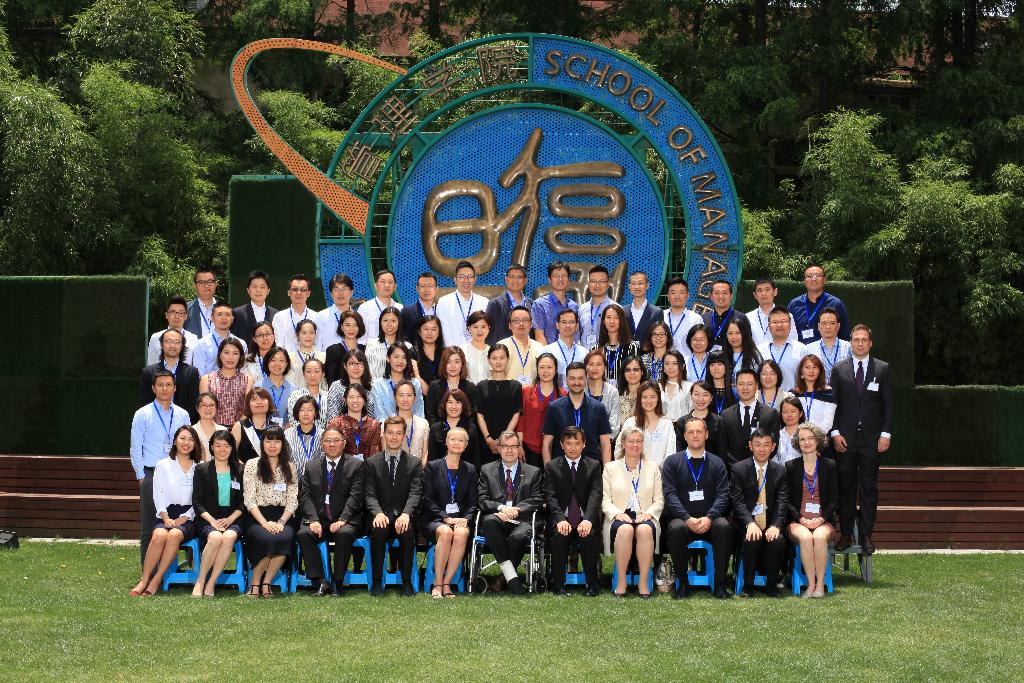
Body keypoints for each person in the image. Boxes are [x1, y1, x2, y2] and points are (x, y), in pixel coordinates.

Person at [831, 324, 894, 555]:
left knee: (868, 488)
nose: (860, 343)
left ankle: (867, 535)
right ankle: (846, 533)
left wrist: (885, 434)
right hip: (845, 440)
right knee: (846, 488)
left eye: (864, 339)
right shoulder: (839, 369)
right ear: (851, 343)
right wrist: (834, 432)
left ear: (870, 343)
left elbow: (888, 403)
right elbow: (833, 404)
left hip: (872, 440)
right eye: (856, 339)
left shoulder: (882, 369)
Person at [662, 417, 732, 598]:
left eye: (699, 431)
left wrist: (709, 517)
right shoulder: (672, 462)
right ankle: (682, 583)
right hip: (683, 519)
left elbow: (723, 494)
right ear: (684, 436)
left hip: (710, 519)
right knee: (676, 528)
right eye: (690, 432)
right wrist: (687, 518)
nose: (695, 435)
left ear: (706, 435)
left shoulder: (717, 462)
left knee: (724, 526)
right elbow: (670, 495)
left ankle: (720, 583)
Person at [129, 425, 200, 596]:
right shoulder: (162, 465)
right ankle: (144, 579)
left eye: (191, 439)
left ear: (195, 443)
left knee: (174, 535)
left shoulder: (200, 467)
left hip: (190, 516)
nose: (186, 443)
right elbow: (158, 494)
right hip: (166, 513)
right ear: (175, 441)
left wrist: (186, 516)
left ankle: (157, 579)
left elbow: (200, 499)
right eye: (182, 438)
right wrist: (165, 517)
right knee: (159, 535)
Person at [296, 425, 365, 597]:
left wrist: (343, 520)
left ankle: (338, 581)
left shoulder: (356, 465)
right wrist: (313, 520)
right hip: (320, 518)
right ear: (322, 443)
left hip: (346, 518)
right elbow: (305, 497)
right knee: (304, 534)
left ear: (344, 443)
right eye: (327, 440)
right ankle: (320, 581)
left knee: (344, 534)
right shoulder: (311, 466)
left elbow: (356, 496)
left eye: (336, 440)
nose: (332, 444)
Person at [129, 377, 191, 566]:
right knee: (149, 527)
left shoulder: (182, 414)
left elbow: (188, 442)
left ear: (175, 388)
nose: (165, 388)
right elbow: (135, 447)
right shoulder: (143, 414)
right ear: (153, 388)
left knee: (174, 525)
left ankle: (169, 572)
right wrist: (141, 476)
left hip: (177, 474)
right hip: (151, 473)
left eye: (169, 384)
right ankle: (149, 574)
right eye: (160, 385)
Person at [477, 431, 544, 594]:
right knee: (488, 521)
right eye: (505, 446)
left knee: (519, 537)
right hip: (498, 518)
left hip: (523, 520)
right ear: (499, 448)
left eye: (513, 446)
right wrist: (501, 508)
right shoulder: (487, 469)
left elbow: (537, 499)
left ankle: (503, 579)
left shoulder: (533, 472)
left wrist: (516, 510)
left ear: (519, 448)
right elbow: (482, 499)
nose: (509, 450)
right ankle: (512, 578)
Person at [602, 426, 664, 598]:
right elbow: (605, 500)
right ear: (623, 443)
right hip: (619, 516)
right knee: (625, 529)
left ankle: (643, 582)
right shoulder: (610, 468)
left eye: (639, 441)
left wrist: (649, 514)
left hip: (646, 515)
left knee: (644, 530)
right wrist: (617, 514)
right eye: (631, 441)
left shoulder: (653, 467)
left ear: (643, 444)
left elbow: (659, 500)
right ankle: (621, 581)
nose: (635, 445)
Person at [365, 416, 423, 596]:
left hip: (403, 515)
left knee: (406, 532)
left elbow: (415, 493)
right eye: (390, 432)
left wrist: (406, 514)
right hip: (380, 515)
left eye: (398, 433)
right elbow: (369, 494)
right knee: (379, 531)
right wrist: (377, 513)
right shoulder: (372, 463)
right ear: (383, 434)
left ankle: (407, 583)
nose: (394, 437)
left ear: (404, 436)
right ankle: (377, 582)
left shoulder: (414, 463)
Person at [420, 427, 478, 598]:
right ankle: (437, 583)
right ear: (446, 442)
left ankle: (447, 583)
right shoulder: (432, 467)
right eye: (453, 439)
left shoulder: (470, 469)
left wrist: (466, 519)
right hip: (435, 519)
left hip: (459, 519)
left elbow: (473, 502)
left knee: (461, 533)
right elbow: (427, 499)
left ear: (466, 445)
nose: (456, 443)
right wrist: (445, 518)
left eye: (461, 440)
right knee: (445, 532)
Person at [545, 427, 603, 596]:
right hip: (562, 519)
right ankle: (559, 585)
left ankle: (592, 584)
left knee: (588, 535)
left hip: (585, 519)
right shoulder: (552, 466)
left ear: (584, 444)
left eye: (577, 443)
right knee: (560, 535)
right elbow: (550, 496)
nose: (572, 447)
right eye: (568, 443)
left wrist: (588, 519)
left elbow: (595, 495)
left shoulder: (593, 466)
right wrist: (560, 519)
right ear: (561, 444)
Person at [730, 428, 788, 597]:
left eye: (766, 445)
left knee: (777, 540)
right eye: (757, 444)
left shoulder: (780, 471)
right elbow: (737, 501)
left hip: (770, 522)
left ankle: (771, 584)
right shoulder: (739, 468)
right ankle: (748, 586)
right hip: (745, 522)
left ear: (773, 447)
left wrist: (776, 525)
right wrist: (749, 523)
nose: (762, 449)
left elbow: (782, 501)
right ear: (750, 446)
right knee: (752, 538)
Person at [243, 425, 299, 597]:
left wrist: (281, 522)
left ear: (283, 444)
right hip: (257, 516)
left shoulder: (290, 467)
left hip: (283, 517)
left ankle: (266, 582)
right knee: (265, 538)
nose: (272, 445)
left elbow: (292, 500)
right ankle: (255, 583)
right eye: (268, 441)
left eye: (277, 441)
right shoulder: (252, 464)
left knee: (284, 538)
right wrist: (264, 523)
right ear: (262, 443)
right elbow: (249, 499)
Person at [786, 422, 839, 598]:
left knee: (818, 537)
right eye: (802, 439)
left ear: (818, 441)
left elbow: (834, 499)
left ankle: (820, 585)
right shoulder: (790, 466)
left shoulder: (829, 465)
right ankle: (810, 585)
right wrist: (800, 518)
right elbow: (786, 500)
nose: (806, 442)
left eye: (810, 438)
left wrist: (822, 519)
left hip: (823, 520)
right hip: (798, 521)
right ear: (797, 443)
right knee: (806, 538)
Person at [190, 429, 244, 597]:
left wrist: (230, 519)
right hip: (208, 518)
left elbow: (245, 502)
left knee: (228, 537)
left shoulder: (240, 470)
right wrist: (212, 521)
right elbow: (197, 502)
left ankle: (211, 582)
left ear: (232, 448)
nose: (222, 449)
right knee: (215, 537)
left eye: (226, 445)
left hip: (233, 518)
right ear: (212, 447)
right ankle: (200, 581)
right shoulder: (202, 469)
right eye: (218, 445)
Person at [541, 361, 613, 464]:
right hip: (561, 469)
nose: (576, 382)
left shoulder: (598, 408)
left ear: (586, 379)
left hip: (590, 469)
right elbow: (547, 444)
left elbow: (605, 444)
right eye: (572, 378)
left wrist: (607, 471)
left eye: (580, 378)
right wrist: (549, 471)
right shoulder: (554, 408)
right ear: (566, 380)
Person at [720, 369, 781, 468]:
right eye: (741, 384)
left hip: (761, 470)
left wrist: (756, 465)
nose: (745, 388)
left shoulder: (770, 413)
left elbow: (774, 444)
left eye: (749, 384)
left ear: (756, 386)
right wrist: (738, 468)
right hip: (733, 471)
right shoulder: (725, 415)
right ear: (735, 386)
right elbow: (723, 448)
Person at [476, 345, 523, 466]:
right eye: (494, 358)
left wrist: (504, 439)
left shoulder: (516, 385)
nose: (498, 361)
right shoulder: (481, 386)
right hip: (486, 441)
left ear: (508, 359)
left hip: (509, 443)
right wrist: (489, 439)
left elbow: (516, 413)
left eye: (502, 358)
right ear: (488, 360)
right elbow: (479, 415)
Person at [141, 328, 200, 422]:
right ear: (161, 344)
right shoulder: (148, 372)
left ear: (182, 346)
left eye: (177, 342)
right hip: (155, 423)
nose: (172, 345)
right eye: (168, 341)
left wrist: (183, 424)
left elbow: (193, 404)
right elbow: (145, 402)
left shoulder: (192, 372)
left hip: (183, 425)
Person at [518, 354, 566, 468]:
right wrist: (519, 446)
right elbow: (520, 421)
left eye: (549, 367)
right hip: (529, 449)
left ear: (555, 370)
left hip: (554, 449)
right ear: (537, 370)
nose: (545, 371)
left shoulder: (563, 394)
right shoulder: (526, 392)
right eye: (542, 367)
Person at [616, 380, 677, 467]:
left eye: (652, 397)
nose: (648, 401)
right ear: (639, 399)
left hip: (660, 473)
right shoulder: (631, 422)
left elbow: (671, 453)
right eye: (644, 397)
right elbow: (619, 449)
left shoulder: (667, 424)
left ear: (658, 398)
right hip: (633, 472)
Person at [788, 264, 851, 343]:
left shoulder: (836, 304)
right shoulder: (794, 305)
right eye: (809, 276)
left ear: (824, 280)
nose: (814, 279)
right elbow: (787, 333)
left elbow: (845, 335)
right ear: (804, 281)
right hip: (800, 350)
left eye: (817, 275)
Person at [199, 338, 253, 427]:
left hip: (239, 429)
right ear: (220, 354)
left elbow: (248, 409)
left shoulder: (248, 380)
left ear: (240, 356)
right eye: (226, 353)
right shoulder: (207, 379)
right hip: (212, 429)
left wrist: (237, 428)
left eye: (235, 353)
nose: (230, 357)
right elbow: (204, 408)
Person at [437, 261, 490, 348]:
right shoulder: (444, 302)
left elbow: (486, 330)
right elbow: (444, 332)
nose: (466, 280)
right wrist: (455, 352)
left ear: (475, 280)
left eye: (469, 276)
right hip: (453, 352)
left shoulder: (484, 302)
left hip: (478, 350)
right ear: (455, 280)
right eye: (462, 277)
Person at [424, 346, 479, 424]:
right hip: (439, 430)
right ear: (444, 364)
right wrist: (439, 430)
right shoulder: (434, 386)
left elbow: (473, 416)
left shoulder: (470, 387)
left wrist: (463, 430)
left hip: (464, 430)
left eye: (457, 362)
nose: (453, 366)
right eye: (449, 362)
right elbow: (430, 415)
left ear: (462, 364)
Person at [757, 307, 806, 393]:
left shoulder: (802, 350)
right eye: (775, 322)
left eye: (783, 321)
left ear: (790, 325)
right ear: (769, 326)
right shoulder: (759, 350)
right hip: (765, 399)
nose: (779, 325)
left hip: (793, 399)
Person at [327, 384, 381, 460]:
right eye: (351, 397)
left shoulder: (373, 425)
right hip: (343, 466)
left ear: (364, 401)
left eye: (359, 396)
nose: (355, 400)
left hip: (367, 466)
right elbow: (332, 450)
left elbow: (374, 453)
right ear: (345, 400)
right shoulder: (336, 423)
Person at [370, 344, 424, 420]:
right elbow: (380, 416)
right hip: (387, 426)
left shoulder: (415, 383)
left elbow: (419, 413)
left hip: (412, 426)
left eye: (404, 357)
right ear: (388, 358)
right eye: (396, 357)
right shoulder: (378, 385)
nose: (400, 361)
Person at [426, 389, 480, 465]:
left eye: (458, 402)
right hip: (439, 471)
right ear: (444, 404)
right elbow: (431, 459)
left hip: (465, 471)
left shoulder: (471, 428)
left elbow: (475, 458)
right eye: (450, 402)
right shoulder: (435, 429)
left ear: (463, 405)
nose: (454, 406)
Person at [192, 302, 248, 376]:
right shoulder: (202, 344)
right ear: (212, 318)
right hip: (208, 382)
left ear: (232, 318)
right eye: (219, 314)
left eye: (227, 315)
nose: (224, 318)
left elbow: (243, 371)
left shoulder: (241, 344)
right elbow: (199, 373)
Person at [485, 264, 534, 346]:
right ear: (506, 279)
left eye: (519, 277)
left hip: (528, 349)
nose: (515, 280)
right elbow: (490, 334)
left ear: (525, 281)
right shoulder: (495, 304)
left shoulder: (532, 304)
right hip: (505, 350)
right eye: (511, 277)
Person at [497, 305, 546, 385]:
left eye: (525, 320)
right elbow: (496, 375)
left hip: (533, 392)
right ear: (510, 325)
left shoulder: (540, 348)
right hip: (508, 391)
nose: (521, 324)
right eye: (516, 321)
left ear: (531, 324)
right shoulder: (500, 347)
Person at [532, 261, 578, 344]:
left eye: (563, 276)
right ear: (549, 279)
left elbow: (575, 335)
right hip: (548, 351)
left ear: (569, 279)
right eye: (556, 276)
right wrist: (549, 352)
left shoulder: (574, 306)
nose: (560, 279)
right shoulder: (540, 304)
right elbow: (539, 336)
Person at [802, 307, 852, 384]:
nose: (828, 327)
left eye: (832, 323)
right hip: (818, 390)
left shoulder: (849, 347)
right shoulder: (809, 349)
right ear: (819, 326)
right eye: (824, 323)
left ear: (838, 326)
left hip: (844, 390)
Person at [593, 303, 640, 383]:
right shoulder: (596, 349)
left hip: (624, 390)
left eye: (616, 318)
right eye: (608, 317)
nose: (612, 321)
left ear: (621, 321)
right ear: (603, 321)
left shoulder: (631, 347)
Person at [324, 349, 375, 423]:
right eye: (352, 363)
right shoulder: (336, 387)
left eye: (360, 363)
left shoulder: (372, 387)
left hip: (368, 428)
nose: (356, 367)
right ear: (345, 366)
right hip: (340, 428)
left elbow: (373, 416)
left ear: (365, 366)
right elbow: (332, 417)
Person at [791, 354, 837, 433]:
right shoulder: (793, 394)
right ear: (801, 371)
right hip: (797, 437)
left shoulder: (828, 393)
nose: (811, 371)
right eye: (807, 367)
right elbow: (790, 421)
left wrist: (813, 436)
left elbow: (828, 423)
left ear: (820, 371)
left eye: (815, 367)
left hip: (821, 437)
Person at [232, 270, 278, 348]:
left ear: (268, 291)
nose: (258, 290)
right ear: (248, 290)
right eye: (254, 286)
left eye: (262, 287)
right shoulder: (237, 313)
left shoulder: (276, 314)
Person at [678, 381, 724, 458]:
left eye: (705, 395)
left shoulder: (718, 421)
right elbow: (679, 450)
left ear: (711, 398)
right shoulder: (682, 421)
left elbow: (721, 450)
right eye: (696, 394)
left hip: (712, 464)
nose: (701, 399)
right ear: (691, 396)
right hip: (687, 464)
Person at [746, 278, 797, 347]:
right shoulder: (748, 317)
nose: (763, 293)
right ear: (755, 295)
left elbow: (794, 341)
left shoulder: (787, 316)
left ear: (775, 292)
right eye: (760, 290)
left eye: (767, 289)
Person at [147, 296, 199, 365]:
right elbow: (151, 365)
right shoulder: (156, 338)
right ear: (166, 315)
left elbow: (195, 366)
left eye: (180, 313)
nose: (176, 316)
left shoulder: (193, 339)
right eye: (172, 312)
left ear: (186, 316)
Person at [701, 279, 749, 353]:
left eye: (725, 293)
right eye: (717, 293)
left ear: (731, 296)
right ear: (711, 296)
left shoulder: (741, 318)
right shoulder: (703, 318)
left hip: (734, 359)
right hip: (709, 359)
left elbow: (747, 343)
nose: (721, 296)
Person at [356, 269, 403, 345]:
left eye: (390, 282)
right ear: (375, 286)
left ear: (395, 286)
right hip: (371, 350)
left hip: (396, 350)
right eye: (383, 282)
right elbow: (360, 336)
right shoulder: (365, 308)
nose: (387, 285)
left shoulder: (400, 308)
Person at [271, 273, 315, 352]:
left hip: (311, 359)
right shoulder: (280, 317)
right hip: (287, 359)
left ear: (308, 293)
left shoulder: (316, 316)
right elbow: (279, 346)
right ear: (289, 292)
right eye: (295, 289)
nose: (299, 293)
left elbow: (318, 345)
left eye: (303, 290)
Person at [231, 387, 274, 463]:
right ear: (248, 404)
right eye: (254, 399)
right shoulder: (240, 426)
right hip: (244, 469)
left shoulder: (275, 427)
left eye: (263, 398)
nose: (259, 402)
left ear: (269, 402)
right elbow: (231, 453)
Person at [583, 349, 621, 437]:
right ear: (585, 367)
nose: (595, 368)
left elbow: (614, 424)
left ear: (604, 367)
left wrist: (604, 441)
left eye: (599, 364)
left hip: (607, 441)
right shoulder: (580, 389)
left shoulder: (612, 391)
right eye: (591, 364)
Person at [255, 347, 296, 426]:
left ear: (286, 364)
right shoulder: (258, 387)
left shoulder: (293, 389)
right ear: (267, 363)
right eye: (273, 360)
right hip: (263, 431)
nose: (277, 364)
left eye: (281, 360)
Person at [365, 306, 410, 379]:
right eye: (385, 320)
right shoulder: (371, 344)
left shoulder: (408, 347)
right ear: (380, 323)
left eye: (393, 321)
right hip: (375, 385)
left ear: (399, 323)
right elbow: (367, 371)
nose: (389, 324)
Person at [324, 310, 365, 386]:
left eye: (355, 325)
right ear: (342, 327)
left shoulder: (365, 350)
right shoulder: (333, 350)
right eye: (347, 325)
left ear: (359, 327)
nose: (351, 329)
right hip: (339, 392)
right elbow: (330, 379)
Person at [285, 395, 323, 476]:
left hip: (317, 479)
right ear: (297, 412)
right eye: (302, 410)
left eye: (310, 410)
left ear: (315, 413)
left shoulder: (323, 435)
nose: (306, 414)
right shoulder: (287, 434)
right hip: (293, 479)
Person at [392, 379, 429, 464]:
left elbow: (425, 454)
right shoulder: (388, 423)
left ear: (414, 398)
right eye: (401, 395)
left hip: (419, 470)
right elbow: (385, 453)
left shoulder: (423, 423)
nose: (405, 399)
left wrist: (419, 470)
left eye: (409, 395)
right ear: (395, 398)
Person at [543, 308, 584, 383]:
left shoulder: (584, 352)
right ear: (557, 325)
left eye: (571, 322)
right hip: (556, 390)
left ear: (577, 326)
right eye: (564, 322)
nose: (567, 325)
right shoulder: (548, 351)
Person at [663, 277, 702, 354]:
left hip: (687, 361)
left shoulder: (696, 319)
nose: (677, 296)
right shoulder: (660, 316)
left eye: (681, 292)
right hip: (664, 360)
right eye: (673, 293)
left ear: (687, 295)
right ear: (667, 296)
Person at [624, 270, 664, 348]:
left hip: (648, 354)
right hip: (626, 354)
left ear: (647, 286)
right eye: (633, 283)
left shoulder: (657, 312)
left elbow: (659, 337)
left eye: (640, 283)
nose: (637, 287)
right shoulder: (623, 311)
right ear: (629, 286)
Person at [316, 273, 355, 351]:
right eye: (336, 289)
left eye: (344, 289)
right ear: (331, 294)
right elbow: (317, 346)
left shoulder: (358, 317)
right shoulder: (321, 316)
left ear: (351, 292)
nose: (340, 293)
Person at [578, 265, 613, 348]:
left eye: (601, 281)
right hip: (585, 354)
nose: (597, 285)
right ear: (588, 284)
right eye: (593, 281)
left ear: (607, 284)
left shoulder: (615, 308)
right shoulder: (582, 309)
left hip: (605, 354)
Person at [287, 359, 328, 430]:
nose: (313, 375)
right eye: (308, 371)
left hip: (324, 435)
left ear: (323, 374)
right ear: (304, 374)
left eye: (317, 371)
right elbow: (293, 420)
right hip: (299, 435)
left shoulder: (328, 397)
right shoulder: (295, 396)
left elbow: (331, 421)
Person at [286, 319, 325, 388]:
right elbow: (289, 382)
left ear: (315, 334)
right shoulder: (289, 357)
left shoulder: (323, 357)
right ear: (297, 335)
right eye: (304, 333)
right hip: (296, 394)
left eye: (311, 332)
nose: (308, 336)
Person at [400, 272, 438, 338]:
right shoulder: (406, 312)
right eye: (423, 286)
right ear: (417, 289)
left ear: (436, 289)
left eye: (430, 286)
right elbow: (401, 336)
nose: (427, 290)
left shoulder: (442, 310)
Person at [725, 319, 763, 384]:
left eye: (738, 333)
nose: (734, 337)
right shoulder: (723, 355)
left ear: (744, 334)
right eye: (730, 333)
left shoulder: (753, 355)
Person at [411, 315, 444, 388]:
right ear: (419, 332)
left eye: (433, 329)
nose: (429, 333)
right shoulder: (412, 353)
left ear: (439, 333)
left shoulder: (445, 353)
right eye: (426, 329)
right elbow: (415, 377)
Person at [616, 356, 647, 433]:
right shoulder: (616, 394)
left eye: (635, 369)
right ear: (624, 374)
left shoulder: (648, 394)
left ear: (642, 372)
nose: (632, 373)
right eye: (628, 370)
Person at [659, 349, 692, 421]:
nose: (670, 367)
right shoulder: (658, 387)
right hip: (662, 426)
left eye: (675, 363)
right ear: (663, 367)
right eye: (667, 363)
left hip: (684, 426)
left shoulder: (689, 387)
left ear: (683, 366)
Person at [184, 267, 218, 339]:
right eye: (201, 282)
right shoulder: (185, 310)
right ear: (194, 286)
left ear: (216, 284)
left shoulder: (226, 311)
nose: (206, 286)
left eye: (210, 282)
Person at [192, 392, 226, 462]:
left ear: (216, 408)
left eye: (212, 405)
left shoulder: (223, 430)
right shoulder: (192, 431)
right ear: (197, 408)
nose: (208, 408)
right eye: (204, 405)